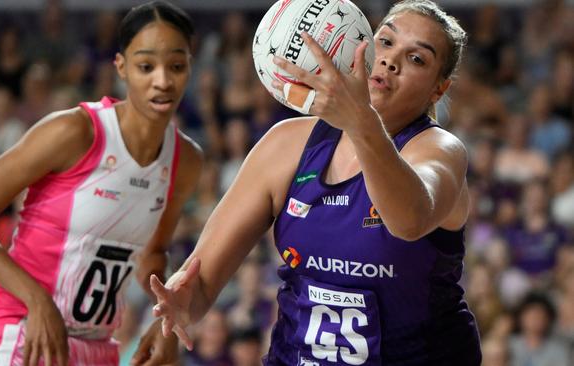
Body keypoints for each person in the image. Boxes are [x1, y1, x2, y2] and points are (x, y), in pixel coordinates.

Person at [150, 0, 482, 365]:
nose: (390, 60)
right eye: (385, 42)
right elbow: (201, 284)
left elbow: (409, 220)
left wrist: (361, 121)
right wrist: (184, 300)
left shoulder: (440, 151)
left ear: (438, 90)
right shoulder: (287, 144)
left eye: (417, 59)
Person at [0, 1, 203, 365]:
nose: (162, 80)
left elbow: (152, 258)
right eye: (146, 66)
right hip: (25, 329)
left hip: (97, 346)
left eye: (176, 66)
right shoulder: (74, 130)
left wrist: (166, 323)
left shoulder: (186, 160)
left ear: (190, 67)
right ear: (121, 68)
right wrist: (35, 298)